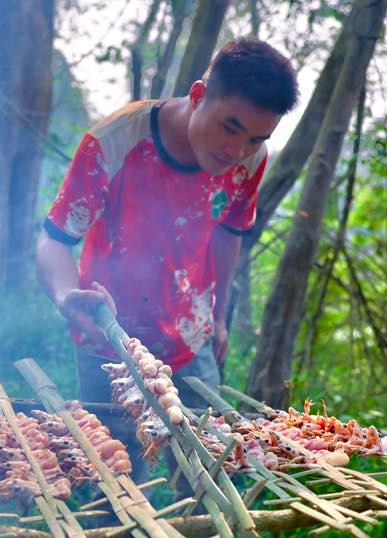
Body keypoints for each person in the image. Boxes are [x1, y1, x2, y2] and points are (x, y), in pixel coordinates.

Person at [36, 38, 298, 482]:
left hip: (191, 338)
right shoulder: (115, 141)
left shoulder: (251, 160)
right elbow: (54, 240)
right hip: (109, 337)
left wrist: (218, 316)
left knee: (208, 473)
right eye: (229, 128)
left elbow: (229, 233)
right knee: (115, 483)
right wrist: (65, 297)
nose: (237, 150)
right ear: (198, 95)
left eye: (256, 138)